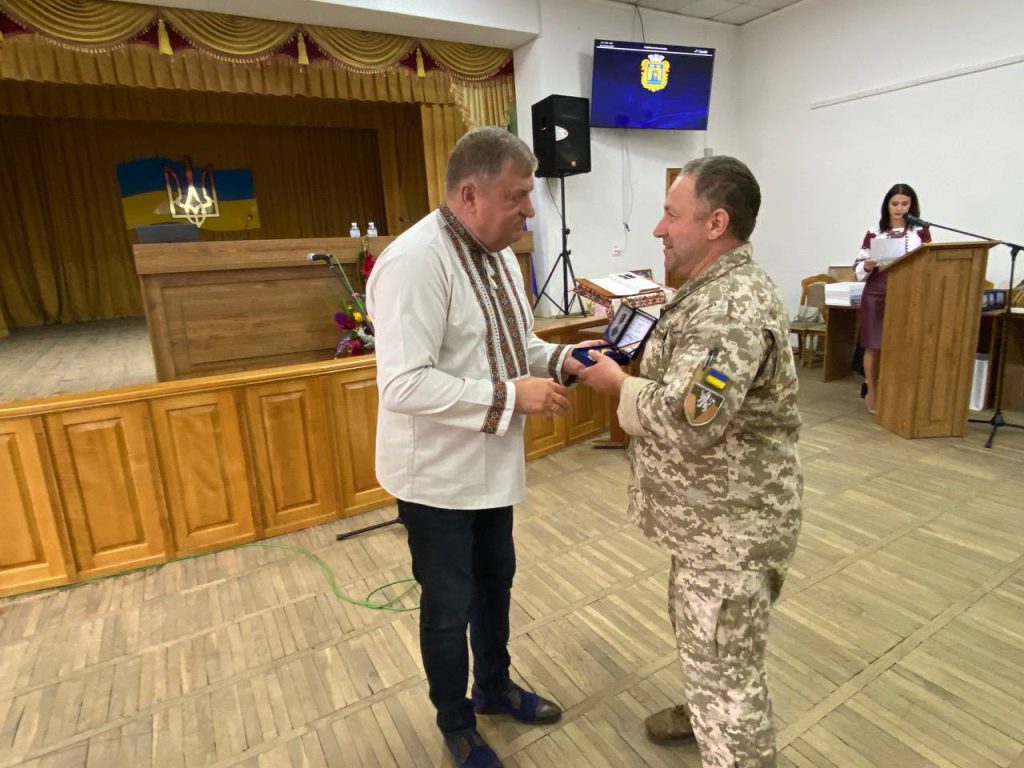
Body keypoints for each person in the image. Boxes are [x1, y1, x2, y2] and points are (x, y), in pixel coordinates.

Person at [367, 127, 596, 768]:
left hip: (492, 468)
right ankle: (456, 722)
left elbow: (512, 347)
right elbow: (403, 385)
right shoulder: (415, 262)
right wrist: (510, 397)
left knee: (496, 584)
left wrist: (562, 359)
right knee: (448, 607)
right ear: (470, 194)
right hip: (436, 477)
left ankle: (493, 687)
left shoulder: (496, 256)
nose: (530, 211)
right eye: (518, 196)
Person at [579, 156, 802, 768]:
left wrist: (617, 385)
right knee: (704, 640)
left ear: (715, 223)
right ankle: (703, 708)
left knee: (729, 675)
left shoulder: (731, 307)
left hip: (732, 531)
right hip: (708, 522)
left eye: (671, 215)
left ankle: (725, 731)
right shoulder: (710, 290)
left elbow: (690, 417)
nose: (658, 228)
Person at [854, 183, 931, 413]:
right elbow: (858, 265)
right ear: (887, 205)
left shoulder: (920, 231)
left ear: (911, 206)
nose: (899, 208)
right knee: (873, 344)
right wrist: (867, 265)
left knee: (902, 343)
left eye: (904, 204)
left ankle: (897, 394)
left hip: (908, 291)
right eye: (894, 203)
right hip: (876, 290)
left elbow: (928, 261)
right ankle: (872, 392)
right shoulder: (874, 231)